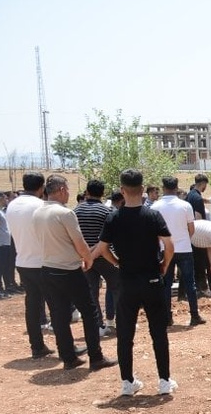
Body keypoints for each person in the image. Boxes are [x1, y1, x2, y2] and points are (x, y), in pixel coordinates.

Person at [93, 168, 177, 396]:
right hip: (151, 279)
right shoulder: (153, 216)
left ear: (122, 190)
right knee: (158, 332)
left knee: (125, 335)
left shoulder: (113, 217)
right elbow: (169, 246)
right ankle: (164, 380)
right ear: (142, 190)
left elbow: (101, 250)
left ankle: (128, 383)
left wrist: (117, 262)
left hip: (127, 282)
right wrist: (164, 265)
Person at [33, 174, 117, 371]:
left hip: (47, 269)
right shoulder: (65, 214)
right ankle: (96, 357)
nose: (69, 193)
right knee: (90, 312)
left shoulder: (38, 212)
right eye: (68, 189)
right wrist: (88, 260)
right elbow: (80, 244)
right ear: (61, 190)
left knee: (59, 314)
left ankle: (68, 357)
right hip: (69, 270)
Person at [6, 172, 55, 358]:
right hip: (43, 262)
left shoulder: (12, 205)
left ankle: (37, 346)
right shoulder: (41, 206)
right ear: (42, 188)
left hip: (23, 261)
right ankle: (66, 346)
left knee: (32, 305)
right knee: (56, 305)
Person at [154, 176, 204, 325]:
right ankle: (194, 315)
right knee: (190, 283)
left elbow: (154, 233)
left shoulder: (155, 207)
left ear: (163, 188)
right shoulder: (185, 205)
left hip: (165, 249)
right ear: (176, 188)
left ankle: (167, 317)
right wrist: (183, 239)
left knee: (166, 284)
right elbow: (191, 228)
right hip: (184, 249)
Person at [74, 179, 119, 335]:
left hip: (85, 258)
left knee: (91, 292)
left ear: (87, 192)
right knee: (117, 289)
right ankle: (121, 322)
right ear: (102, 193)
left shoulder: (76, 211)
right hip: (106, 256)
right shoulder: (107, 212)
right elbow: (112, 237)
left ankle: (97, 325)